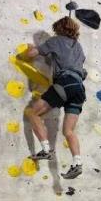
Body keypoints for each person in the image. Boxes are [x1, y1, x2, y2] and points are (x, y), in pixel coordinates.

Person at [22, 16, 86, 179]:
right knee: (68, 131)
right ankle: (77, 163)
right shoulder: (78, 46)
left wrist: (29, 49)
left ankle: (45, 149)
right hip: (79, 88)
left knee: (33, 113)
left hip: (64, 82)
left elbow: (32, 54)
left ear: (58, 29)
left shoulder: (55, 41)